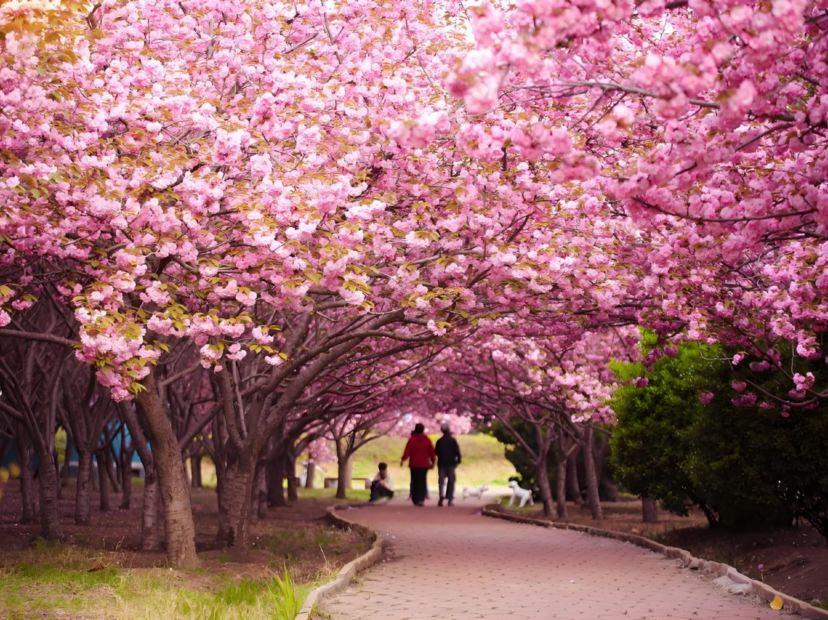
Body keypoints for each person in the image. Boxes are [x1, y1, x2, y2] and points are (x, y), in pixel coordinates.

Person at [400, 423, 435, 506]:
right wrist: (433, 461)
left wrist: (403, 459)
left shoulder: (412, 440)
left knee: (415, 481)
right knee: (422, 481)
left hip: (414, 464)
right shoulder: (427, 440)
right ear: (423, 430)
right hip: (424, 464)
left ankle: (415, 498)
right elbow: (431, 452)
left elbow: (407, 451)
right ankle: (421, 499)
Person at [435, 422, 462, 506]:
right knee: (451, 481)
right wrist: (458, 460)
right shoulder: (452, 440)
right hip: (451, 463)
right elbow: (457, 451)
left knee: (441, 481)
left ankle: (441, 496)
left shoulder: (439, 441)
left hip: (442, 463)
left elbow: (436, 452)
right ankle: (450, 498)